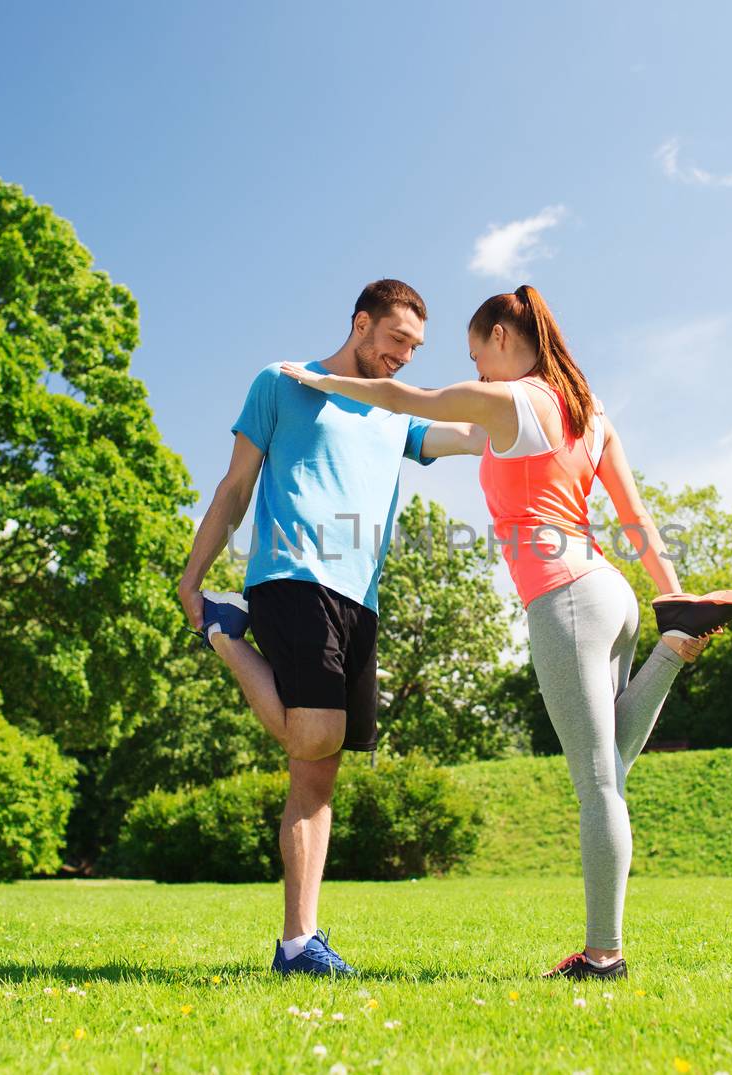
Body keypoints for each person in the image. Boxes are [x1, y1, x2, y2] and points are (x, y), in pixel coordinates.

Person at [279, 283, 732, 979]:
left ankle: (603, 957)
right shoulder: (588, 413)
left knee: (597, 785)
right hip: (613, 594)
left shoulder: (510, 399)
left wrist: (319, 378)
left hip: (564, 599)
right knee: (613, 772)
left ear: (502, 340)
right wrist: (668, 591)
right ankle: (675, 637)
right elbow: (636, 518)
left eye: (477, 359)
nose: (476, 375)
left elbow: (407, 400)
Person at [177, 279, 484, 977]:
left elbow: (468, 434)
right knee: (314, 736)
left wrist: (525, 394)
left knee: (319, 769)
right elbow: (235, 487)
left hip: (361, 596)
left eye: (416, 346)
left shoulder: (395, 411)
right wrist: (194, 575)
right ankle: (225, 629)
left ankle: (298, 944)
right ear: (361, 322)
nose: (405, 356)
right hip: (292, 575)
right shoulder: (282, 385)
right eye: (396, 339)